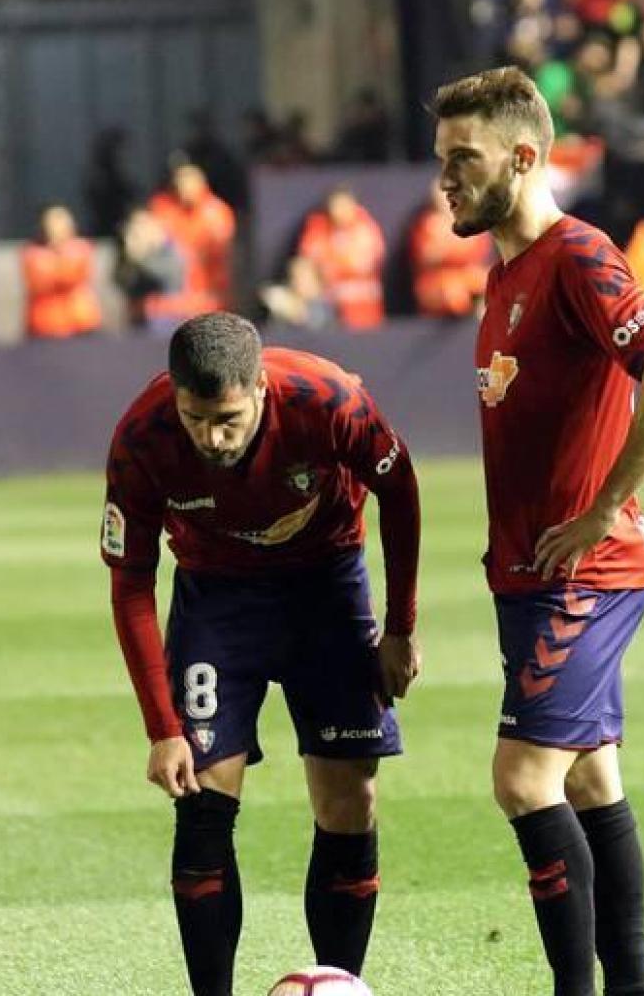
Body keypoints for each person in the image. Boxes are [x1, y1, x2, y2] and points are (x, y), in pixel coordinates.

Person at [430, 66, 644, 996]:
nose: (447, 180)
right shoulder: (507, 269)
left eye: (463, 159)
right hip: (529, 576)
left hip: (588, 573)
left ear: (524, 156)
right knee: (588, 781)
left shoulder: (580, 256)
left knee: (521, 780)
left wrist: (602, 508)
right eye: (442, 162)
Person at [101, 312, 422, 996]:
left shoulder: (328, 399)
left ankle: (342, 985)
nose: (212, 439)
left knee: (350, 799)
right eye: (196, 419)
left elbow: (401, 488)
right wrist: (162, 728)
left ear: (262, 390)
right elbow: (130, 582)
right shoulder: (142, 438)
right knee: (201, 801)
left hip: (327, 590)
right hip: (217, 600)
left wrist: (399, 627)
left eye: (229, 420)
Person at [147, 159, 236, 322]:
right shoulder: (163, 208)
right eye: (181, 181)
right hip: (173, 292)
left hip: (207, 293)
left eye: (189, 180)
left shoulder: (216, 213)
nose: (185, 187)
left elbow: (221, 257)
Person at [292, 186, 386, 329]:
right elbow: (309, 259)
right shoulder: (319, 227)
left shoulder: (366, 228)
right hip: (328, 309)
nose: (340, 211)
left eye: (345, 205)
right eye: (336, 206)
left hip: (363, 308)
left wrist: (334, 262)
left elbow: (362, 262)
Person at [409, 176, 494, 318]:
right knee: (453, 293)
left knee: (489, 282)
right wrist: (451, 249)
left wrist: (449, 248)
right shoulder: (429, 225)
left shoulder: (471, 222)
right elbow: (427, 256)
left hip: (466, 275)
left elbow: (478, 250)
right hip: (436, 281)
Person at [20, 203, 101, 340]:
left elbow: (75, 274)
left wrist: (56, 262)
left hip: (80, 325)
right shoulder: (31, 252)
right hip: (45, 327)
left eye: (61, 221)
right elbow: (39, 281)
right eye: (52, 221)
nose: (57, 227)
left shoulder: (81, 248)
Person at [113, 206, 187, 330]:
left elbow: (167, 280)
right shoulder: (127, 254)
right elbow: (121, 282)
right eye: (134, 227)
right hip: (137, 322)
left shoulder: (169, 249)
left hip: (168, 322)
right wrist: (128, 259)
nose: (139, 231)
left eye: (143, 226)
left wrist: (140, 258)